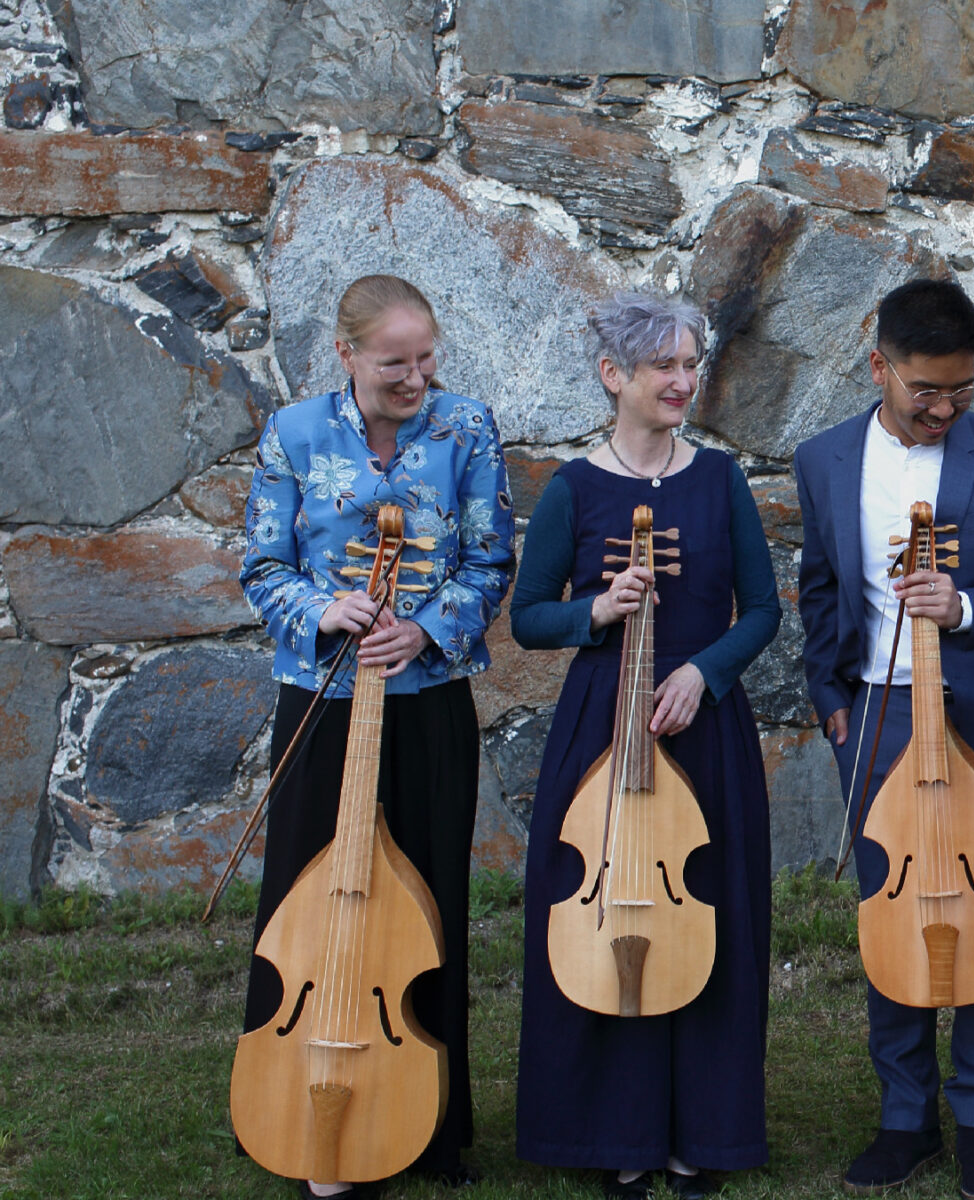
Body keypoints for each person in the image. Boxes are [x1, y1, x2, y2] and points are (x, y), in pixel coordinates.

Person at [794, 278, 974, 1200]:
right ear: (879, 366)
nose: (945, 409)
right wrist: (830, 698)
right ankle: (906, 1117)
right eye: (926, 391)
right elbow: (818, 586)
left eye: (962, 390)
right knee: (894, 917)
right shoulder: (825, 458)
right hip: (875, 718)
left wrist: (962, 606)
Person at [239, 274, 514, 1197]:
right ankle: (293, 1093)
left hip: (427, 697)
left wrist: (427, 627)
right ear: (346, 356)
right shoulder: (293, 433)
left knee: (427, 903)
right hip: (322, 697)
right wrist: (327, 609)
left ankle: (430, 1125)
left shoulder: (467, 427)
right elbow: (264, 565)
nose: (416, 378)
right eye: (395, 362)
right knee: (307, 898)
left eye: (426, 357)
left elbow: (488, 560)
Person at [511, 293, 780, 1199]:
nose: (681, 380)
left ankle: (704, 1131)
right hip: (603, 726)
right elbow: (528, 619)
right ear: (613, 377)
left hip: (699, 725)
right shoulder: (574, 489)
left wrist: (706, 672)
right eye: (662, 365)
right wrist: (595, 610)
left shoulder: (721, 480)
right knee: (603, 913)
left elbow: (766, 610)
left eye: (689, 362)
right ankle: (614, 1130)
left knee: (707, 912)